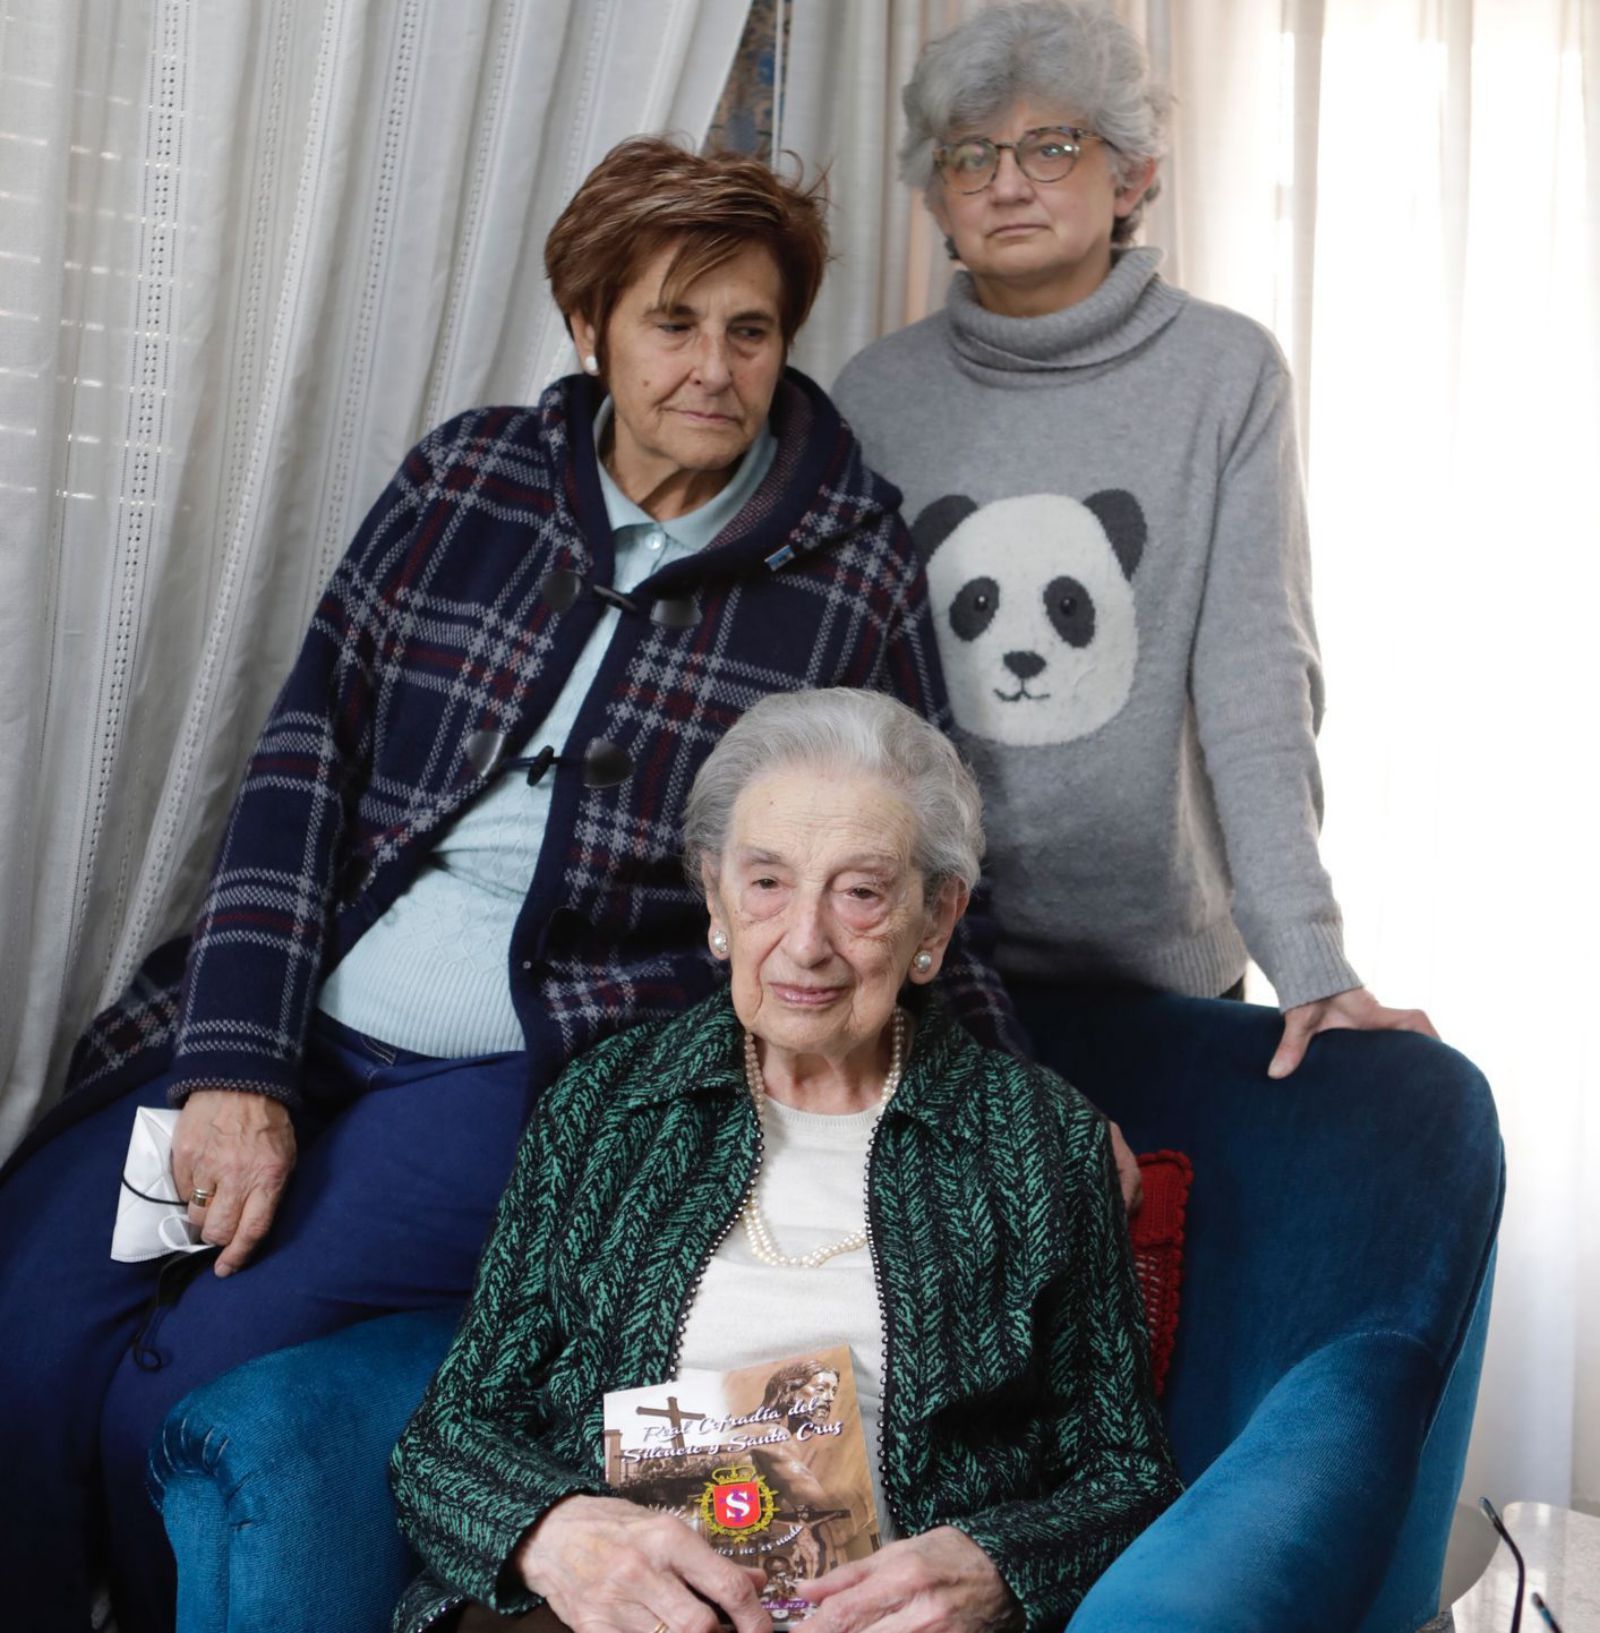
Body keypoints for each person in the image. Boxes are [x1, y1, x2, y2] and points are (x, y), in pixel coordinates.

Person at [0, 140, 1019, 1633]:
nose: (715, 368)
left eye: (752, 330)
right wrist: (234, 1061)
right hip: (294, 999)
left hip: (525, 1077)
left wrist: (1006, 1101)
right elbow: (301, 769)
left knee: (180, 1382)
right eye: (673, 321)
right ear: (592, 323)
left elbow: (925, 854)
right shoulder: (466, 477)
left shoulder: (845, 561)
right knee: (23, 1331)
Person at [389, 688, 1182, 1633]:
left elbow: (1129, 1473)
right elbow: (448, 1435)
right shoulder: (605, 1106)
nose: (805, 943)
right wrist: (561, 1536)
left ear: (935, 921)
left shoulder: (1035, 1138)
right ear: (715, 896)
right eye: (767, 882)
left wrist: (991, 1567)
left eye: (860, 892)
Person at [831, 0, 1435, 1077]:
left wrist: (1308, 955)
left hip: (1165, 967)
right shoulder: (876, 394)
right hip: (928, 963)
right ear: (936, 196)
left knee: (1165, 1240)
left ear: (1134, 175)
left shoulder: (1224, 375)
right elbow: (843, 691)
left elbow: (1257, 677)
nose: (1008, 182)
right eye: (970, 156)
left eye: (1052, 145)